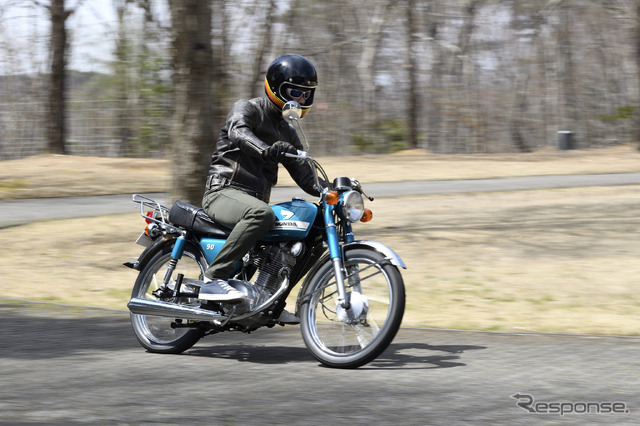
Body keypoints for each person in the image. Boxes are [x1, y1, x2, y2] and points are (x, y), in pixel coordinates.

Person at [198, 54, 321, 323]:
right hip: (223, 191)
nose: (300, 100)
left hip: (252, 202)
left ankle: (270, 299)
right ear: (276, 88)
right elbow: (239, 133)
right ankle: (213, 277)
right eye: (295, 92)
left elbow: (304, 175)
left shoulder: (287, 131)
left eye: (306, 94)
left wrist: (331, 189)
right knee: (261, 214)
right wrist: (266, 151)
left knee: (312, 228)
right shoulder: (248, 108)